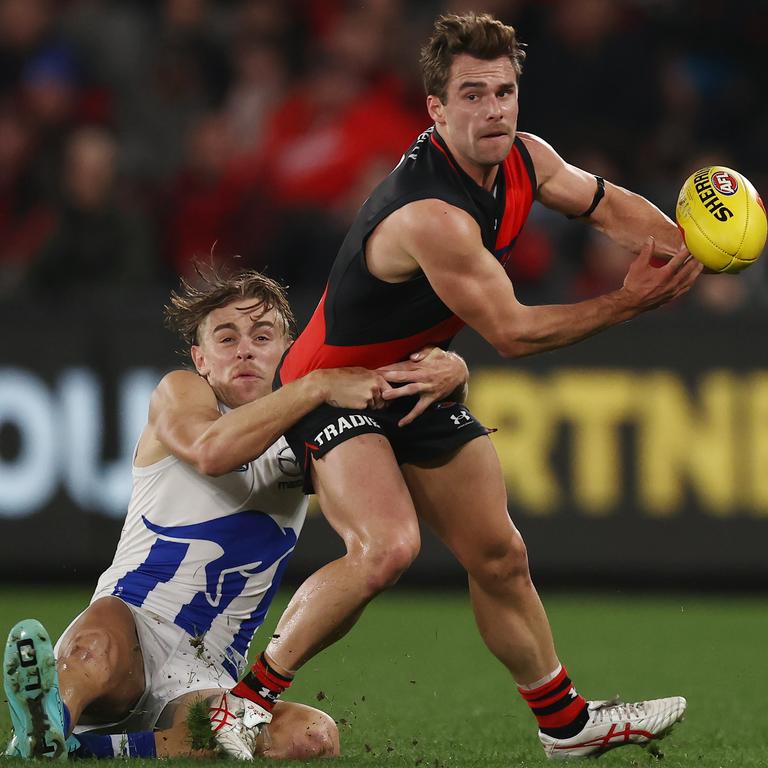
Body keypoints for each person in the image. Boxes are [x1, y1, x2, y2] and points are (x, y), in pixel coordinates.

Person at [228, 12, 701, 761]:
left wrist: (690, 248)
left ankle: (564, 725)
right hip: (332, 387)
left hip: (418, 376)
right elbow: (511, 331)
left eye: (504, 92)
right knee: (386, 548)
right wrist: (626, 302)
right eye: (473, 95)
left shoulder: (528, 158)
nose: (494, 111)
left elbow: (610, 207)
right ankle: (241, 705)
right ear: (436, 110)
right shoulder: (432, 214)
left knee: (500, 553)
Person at [3, 268, 469, 760]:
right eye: (227, 338)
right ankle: (52, 714)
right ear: (201, 359)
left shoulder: (313, 427)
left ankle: (74, 749)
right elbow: (211, 451)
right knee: (94, 651)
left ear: (286, 350)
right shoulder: (181, 392)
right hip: (132, 627)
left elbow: (411, 420)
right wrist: (314, 386)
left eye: (262, 336)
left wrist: (455, 374)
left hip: (208, 674)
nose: (246, 350)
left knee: (312, 738)